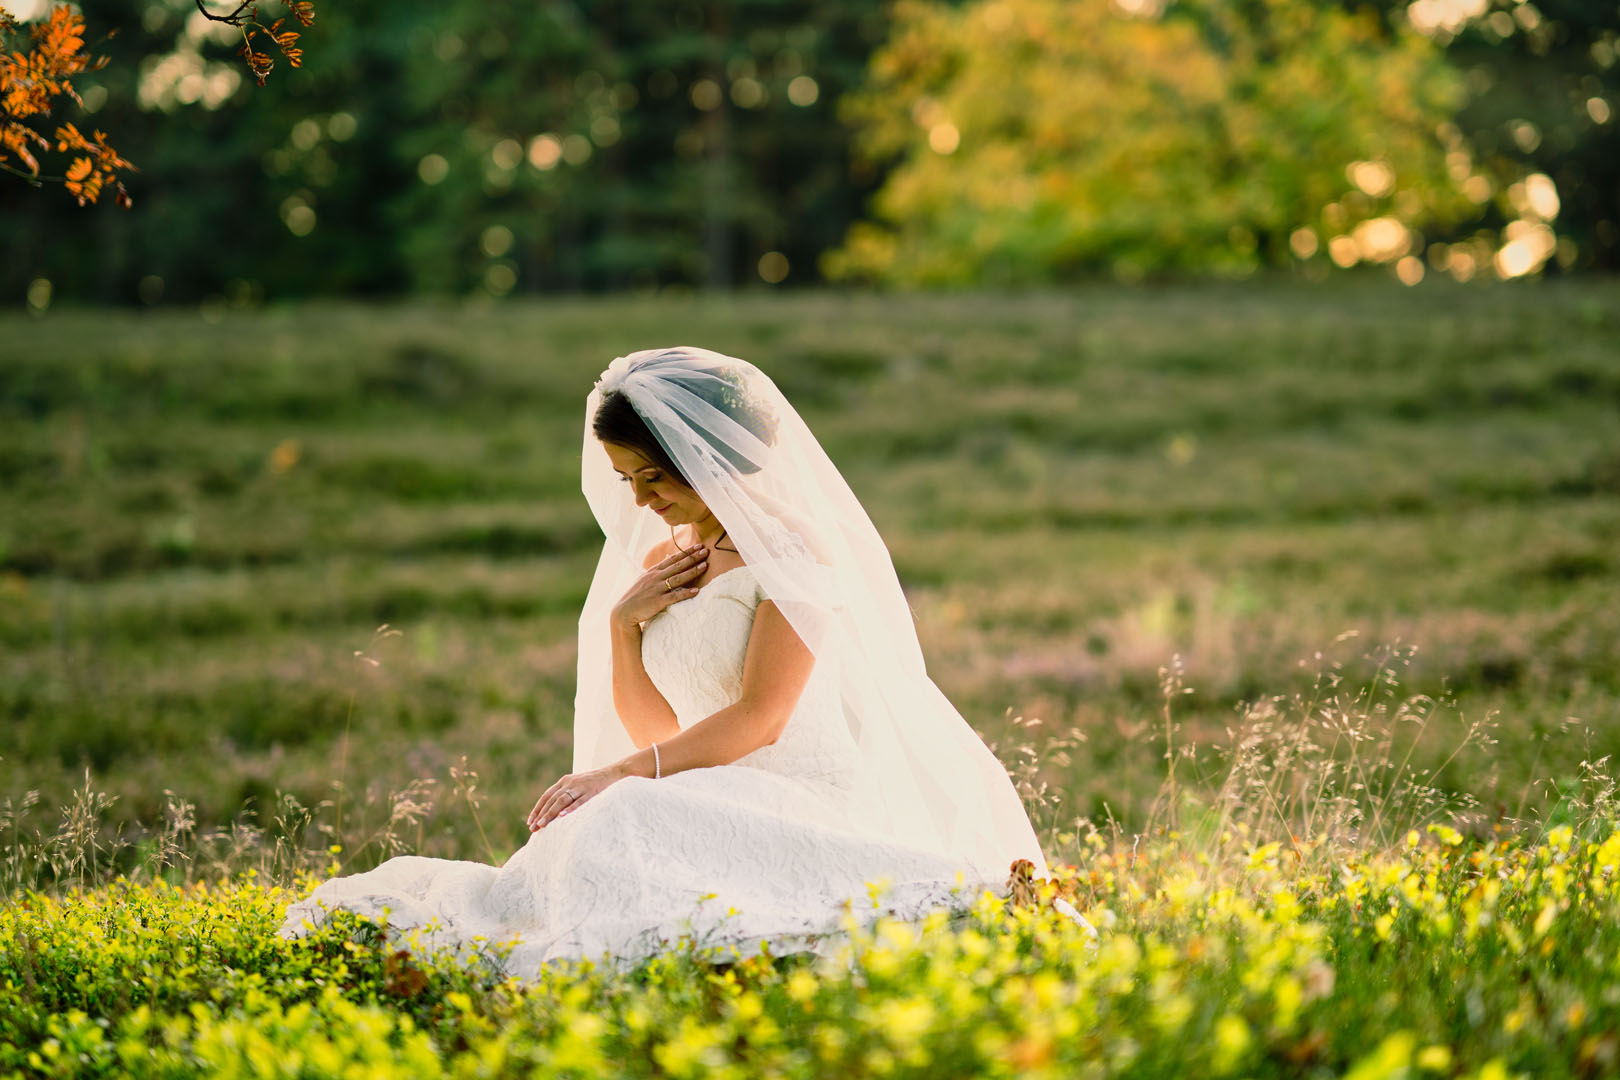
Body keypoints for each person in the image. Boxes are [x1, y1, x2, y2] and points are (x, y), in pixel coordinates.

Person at [279, 346, 1091, 972]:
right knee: (606, 826)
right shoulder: (665, 565)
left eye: (654, 476)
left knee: (624, 810)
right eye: (626, 478)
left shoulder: (790, 555)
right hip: (712, 782)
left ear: (708, 458)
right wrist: (623, 631)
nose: (638, 500)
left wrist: (620, 774)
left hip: (795, 788)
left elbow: (762, 718)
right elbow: (658, 726)